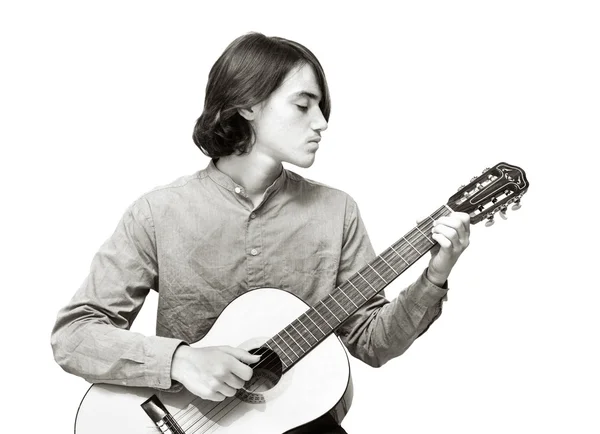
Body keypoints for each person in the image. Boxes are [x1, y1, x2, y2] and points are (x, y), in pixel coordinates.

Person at [51, 32, 470, 433]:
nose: (322, 122)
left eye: (322, 107)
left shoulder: (337, 211)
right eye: (303, 106)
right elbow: (74, 336)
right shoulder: (158, 212)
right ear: (247, 105)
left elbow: (372, 344)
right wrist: (181, 360)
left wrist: (434, 276)